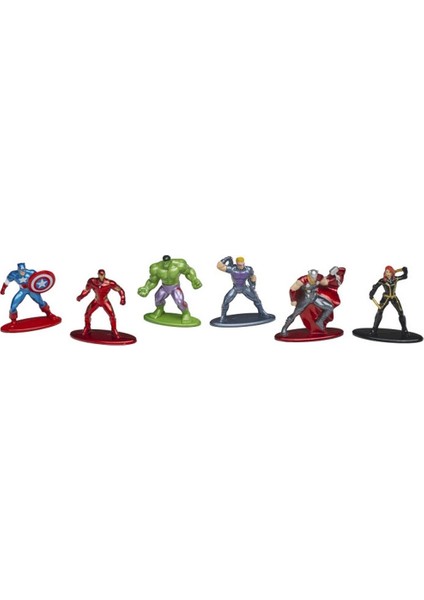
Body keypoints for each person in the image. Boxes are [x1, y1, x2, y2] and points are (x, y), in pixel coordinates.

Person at [280, 267, 345, 336]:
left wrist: (333, 276)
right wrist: (293, 300)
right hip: (305, 299)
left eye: (315, 277)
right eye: (312, 277)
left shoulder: (319, 277)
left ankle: (320, 321)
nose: (313, 279)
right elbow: (292, 289)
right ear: (309, 275)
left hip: (315, 297)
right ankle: (284, 328)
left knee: (329, 307)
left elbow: (326, 283)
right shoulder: (302, 280)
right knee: (295, 314)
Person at [137, 255, 202, 323]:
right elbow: (152, 281)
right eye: (164, 262)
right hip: (164, 287)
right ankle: (160, 310)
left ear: (170, 261)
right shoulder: (156, 268)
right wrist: (146, 288)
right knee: (157, 298)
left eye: (167, 262)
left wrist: (194, 280)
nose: (166, 264)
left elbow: (188, 272)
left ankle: (186, 313)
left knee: (179, 301)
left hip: (175, 287)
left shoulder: (179, 264)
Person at [217, 256, 270, 322]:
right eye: (240, 265)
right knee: (226, 301)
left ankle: (262, 312)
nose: (242, 266)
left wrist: (253, 285)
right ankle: (223, 316)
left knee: (257, 299)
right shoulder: (232, 269)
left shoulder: (248, 269)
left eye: (243, 264)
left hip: (244, 287)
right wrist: (226, 259)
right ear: (237, 264)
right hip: (236, 288)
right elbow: (219, 266)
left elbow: (253, 277)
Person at [77, 269, 125, 338]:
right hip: (96, 301)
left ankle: (114, 330)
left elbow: (120, 290)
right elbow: (87, 290)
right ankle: (87, 327)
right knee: (87, 314)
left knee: (112, 315)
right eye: (100, 275)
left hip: (105, 301)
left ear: (105, 275)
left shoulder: (109, 283)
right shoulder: (92, 281)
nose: (101, 276)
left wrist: (122, 298)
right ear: (98, 275)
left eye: (103, 275)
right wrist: (81, 296)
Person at [369, 266, 408, 335]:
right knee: (379, 311)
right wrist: (372, 293)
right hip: (385, 297)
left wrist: (405, 271)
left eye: (389, 272)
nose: (388, 274)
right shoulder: (382, 280)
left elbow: (404, 276)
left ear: (392, 272)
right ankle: (374, 330)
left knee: (401, 312)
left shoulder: (395, 279)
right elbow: (375, 287)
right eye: (386, 272)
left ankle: (404, 330)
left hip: (394, 297)